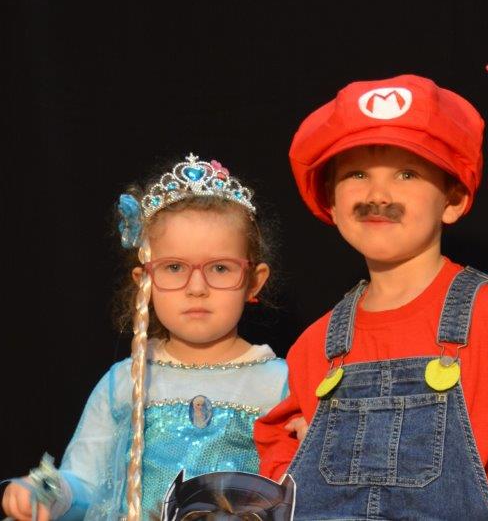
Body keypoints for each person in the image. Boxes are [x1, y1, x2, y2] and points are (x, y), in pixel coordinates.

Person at [254, 74, 488, 519]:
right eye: (356, 174)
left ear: (453, 199)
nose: (377, 195)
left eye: (407, 173)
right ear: (331, 201)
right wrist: (298, 490)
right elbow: (276, 441)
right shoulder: (317, 344)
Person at [1, 154, 288, 520]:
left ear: (254, 281)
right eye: (174, 267)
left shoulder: (280, 384)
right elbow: (86, 481)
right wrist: (44, 493)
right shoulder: (125, 381)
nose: (196, 287)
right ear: (144, 282)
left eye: (220, 268)